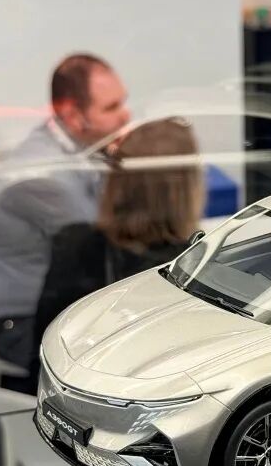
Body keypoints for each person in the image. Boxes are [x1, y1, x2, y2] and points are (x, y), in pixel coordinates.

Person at [0, 54, 131, 385]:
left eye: (122, 102)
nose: (125, 115)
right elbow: (102, 240)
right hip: (14, 322)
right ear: (72, 114)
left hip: (50, 302)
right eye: (111, 107)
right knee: (127, 359)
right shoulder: (46, 175)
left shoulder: (79, 147)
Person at [34, 117, 203, 346]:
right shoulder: (191, 267)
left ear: (117, 180)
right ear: (185, 190)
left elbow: (46, 339)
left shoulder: (74, 242)